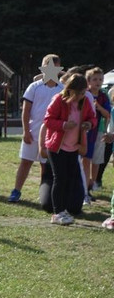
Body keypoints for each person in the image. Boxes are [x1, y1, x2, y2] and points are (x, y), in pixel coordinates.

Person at [7, 54, 63, 203]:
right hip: (33, 131)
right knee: (26, 162)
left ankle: (43, 194)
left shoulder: (62, 89)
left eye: (55, 67)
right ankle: (16, 190)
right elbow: (26, 110)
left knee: (46, 165)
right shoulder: (34, 87)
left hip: (51, 135)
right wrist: (26, 131)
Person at [43, 73, 94, 225]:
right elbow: (48, 120)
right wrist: (64, 125)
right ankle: (57, 213)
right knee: (60, 178)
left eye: (83, 93)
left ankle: (63, 210)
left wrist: (89, 124)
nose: (80, 96)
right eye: (78, 93)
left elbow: (92, 117)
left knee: (70, 180)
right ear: (70, 90)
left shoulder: (85, 102)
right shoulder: (58, 100)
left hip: (74, 147)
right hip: (57, 147)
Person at [84, 67, 110, 199]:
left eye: (100, 79)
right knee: (86, 159)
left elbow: (107, 114)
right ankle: (83, 187)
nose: (98, 82)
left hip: (99, 131)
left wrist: (99, 107)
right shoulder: (84, 94)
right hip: (86, 131)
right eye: (94, 79)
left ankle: (91, 184)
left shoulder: (103, 96)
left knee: (96, 160)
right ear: (88, 81)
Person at [94, 86, 114, 189]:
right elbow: (109, 121)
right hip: (108, 136)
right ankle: (96, 179)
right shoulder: (113, 110)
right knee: (104, 156)